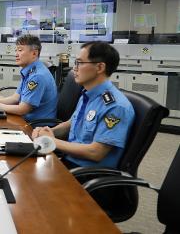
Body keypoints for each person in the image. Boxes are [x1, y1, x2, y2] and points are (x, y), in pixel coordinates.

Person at [32, 41, 135, 169]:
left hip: (86, 173)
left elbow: (96, 152)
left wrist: (52, 141)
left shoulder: (116, 106)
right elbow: (71, 124)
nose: (74, 68)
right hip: (68, 160)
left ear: (99, 68)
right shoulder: (88, 94)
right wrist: (48, 131)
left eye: (80, 63)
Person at [0, 35, 57, 122]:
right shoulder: (29, 70)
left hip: (36, 126)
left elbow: (22, 109)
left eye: (20, 50)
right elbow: (15, 98)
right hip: (26, 119)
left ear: (34, 53)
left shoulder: (37, 76)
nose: (16, 54)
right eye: (16, 50)